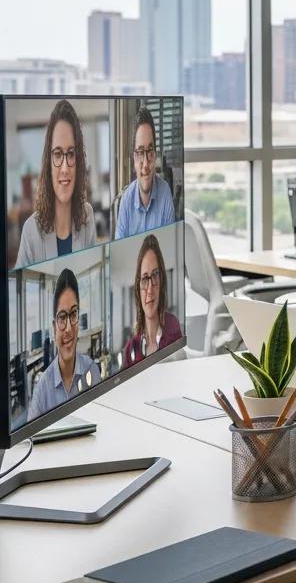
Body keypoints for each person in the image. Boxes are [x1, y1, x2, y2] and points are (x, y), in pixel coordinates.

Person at [16, 100, 96, 267]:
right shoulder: (30, 231)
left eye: (71, 153)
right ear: (48, 163)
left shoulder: (87, 216)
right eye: (58, 154)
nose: (65, 168)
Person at [27, 269, 100, 423]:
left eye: (73, 314)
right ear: (54, 327)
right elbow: (30, 442)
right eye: (62, 317)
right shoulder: (42, 389)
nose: (68, 328)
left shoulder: (91, 370)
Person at [114, 108, 176, 239]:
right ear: (134, 158)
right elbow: (118, 255)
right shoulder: (126, 201)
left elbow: (169, 250)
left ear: (155, 155)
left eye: (150, 151)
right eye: (141, 152)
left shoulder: (165, 193)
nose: (146, 164)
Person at [122, 234, 183, 367]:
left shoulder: (173, 326)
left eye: (155, 275)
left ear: (162, 281)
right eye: (144, 279)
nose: (150, 290)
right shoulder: (129, 350)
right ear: (138, 288)